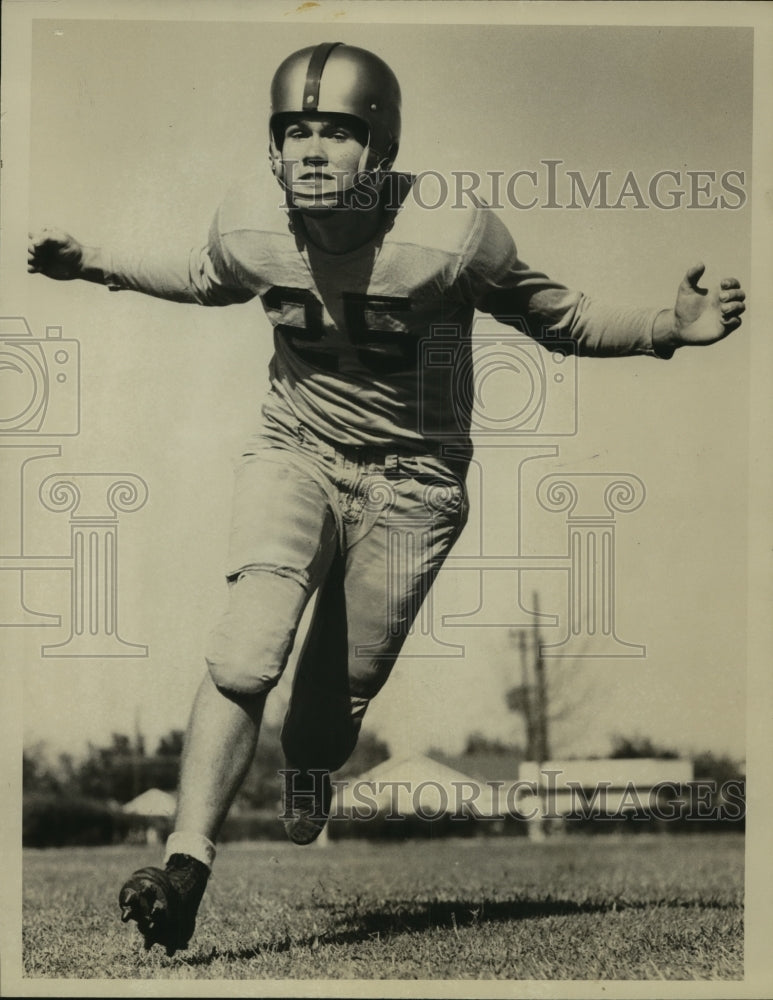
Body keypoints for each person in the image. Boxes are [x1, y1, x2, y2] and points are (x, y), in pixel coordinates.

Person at [27, 41, 745, 957]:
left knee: (323, 721)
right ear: (272, 146)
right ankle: (184, 869)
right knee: (247, 650)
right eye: (295, 130)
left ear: (380, 149)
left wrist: (663, 328)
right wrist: (93, 262)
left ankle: (308, 768)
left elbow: (554, 316)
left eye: (336, 131)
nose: (313, 150)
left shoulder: (449, 234)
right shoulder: (252, 222)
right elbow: (204, 278)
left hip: (417, 482)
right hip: (298, 449)